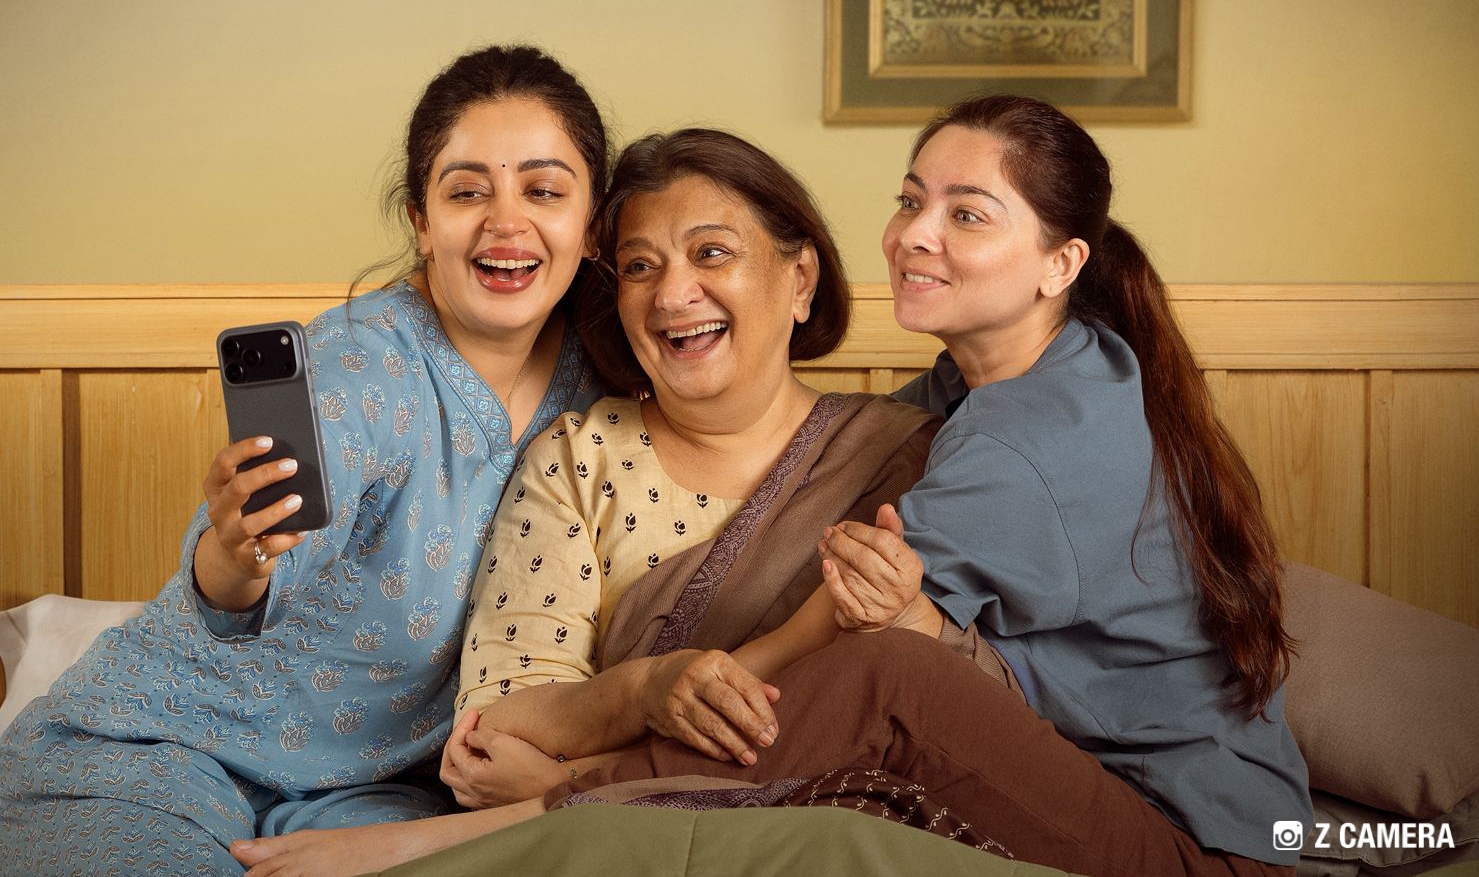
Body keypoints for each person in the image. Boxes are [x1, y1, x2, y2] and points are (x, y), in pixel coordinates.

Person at [537, 94, 1316, 877]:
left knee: (886, 676)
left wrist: (579, 763)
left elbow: (812, 654)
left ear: (1060, 264)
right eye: (911, 201)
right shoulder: (1010, 375)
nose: (914, 233)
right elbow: (837, 455)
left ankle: (548, 817)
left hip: (1195, 843)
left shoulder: (1021, 435)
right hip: (1118, 793)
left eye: (966, 215)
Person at [225, 129, 941, 876]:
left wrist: (571, 782)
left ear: (800, 279)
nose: (672, 294)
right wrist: (645, 690)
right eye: (639, 267)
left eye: (711, 253)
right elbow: (497, 729)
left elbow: (919, 708)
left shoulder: (900, 455)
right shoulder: (581, 458)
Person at [0, 44, 607, 874]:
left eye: (543, 191)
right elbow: (248, 568)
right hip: (155, 746)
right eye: (467, 192)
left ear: (592, 223)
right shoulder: (356, 364)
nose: (506, 222)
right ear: (421, 222)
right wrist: (237, 554)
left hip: (377, 794)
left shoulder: (609, 383)